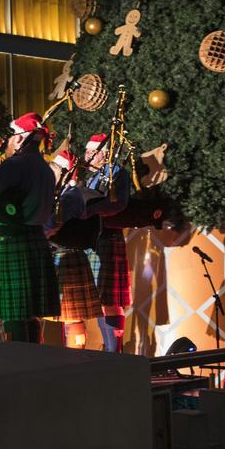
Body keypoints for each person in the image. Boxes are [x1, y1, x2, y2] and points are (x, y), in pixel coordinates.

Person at [0, 112, 60, 344]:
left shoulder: (15, 165)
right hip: (35, 240)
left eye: (12, 137)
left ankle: (16, 366)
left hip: (11, 241)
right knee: (30, 313)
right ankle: (35, 363)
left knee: (11, 313)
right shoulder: (45, 169)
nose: (8, 142)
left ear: (21, 138)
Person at [81, 133, 132, 352]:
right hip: (91, 239)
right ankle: (108, 350)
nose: (89, 156)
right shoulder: (87, 177)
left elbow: (118, 204)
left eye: (95, 152)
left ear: (105, 153)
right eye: (88, 151)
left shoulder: (116, 173)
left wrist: (88, 210)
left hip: (108, 237)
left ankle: (114, 352)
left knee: (109, 300)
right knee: (96, 300)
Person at [46, 150, 99, 349]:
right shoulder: (65, 194)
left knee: (72, 316)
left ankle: (75, 360)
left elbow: (50, 226)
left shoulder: (70, 196)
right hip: (63, 255)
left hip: (67, 257)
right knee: (62, 315)